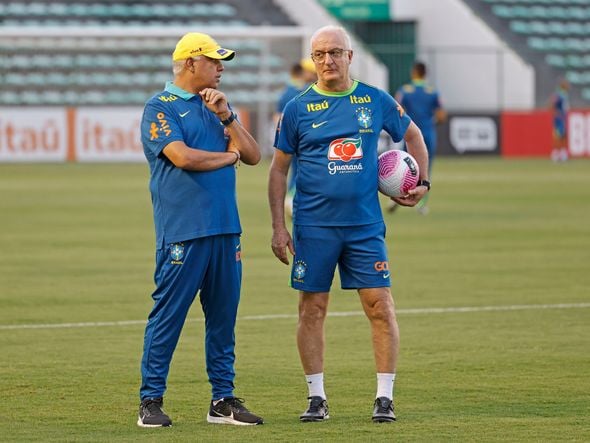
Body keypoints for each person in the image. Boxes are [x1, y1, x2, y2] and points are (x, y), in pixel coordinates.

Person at [268, 25, 430, 423]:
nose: (327, 61)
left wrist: (422, 182)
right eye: (320, 54)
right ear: (313, 59)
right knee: (312, 310)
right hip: (313, 227)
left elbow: (413, 135)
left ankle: (385, 398)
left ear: (350, 56)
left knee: (380, 306)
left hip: (363, 227)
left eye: (335, 53)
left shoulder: (374, 100)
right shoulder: (298, 108)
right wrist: (278, 226)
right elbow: (277, 171)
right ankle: (316, 398)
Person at [138, 32, 263, 427]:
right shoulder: (161, 107)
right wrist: (229, 157)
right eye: (214, 61)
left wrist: (227, 116)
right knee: (168, 317)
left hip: (226, 231)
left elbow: (255, 155)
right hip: (183, 232)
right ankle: (150, 401)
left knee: (223, 320)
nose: (221, 67)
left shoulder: (218, 107)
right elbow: (182, 157)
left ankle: (222, 400)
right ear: (191, 63)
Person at [394, 61, 446, 215]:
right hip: (428, 134)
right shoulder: (433, 91)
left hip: (410, 135)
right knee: (425, 171)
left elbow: (397, 111)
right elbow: (442, 116)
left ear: (413, 72)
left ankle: (396, 197)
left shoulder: (405, 90)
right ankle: (422, 204)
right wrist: (430, 122)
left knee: (403, 168)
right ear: (425, 73)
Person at [274, 59, 318, 217]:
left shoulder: (288, 90)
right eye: (312, 72)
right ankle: (293, 200)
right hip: (305, 138)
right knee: (304, 170)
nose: (314, 75)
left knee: (294, 170)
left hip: (290, 138)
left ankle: (292, 199)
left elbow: (277, 117)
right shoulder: (307, 90)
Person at [549, 78, 570, 162]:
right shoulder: (559, 95)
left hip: (563, 118)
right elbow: (552, 104)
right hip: (559, 118)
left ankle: (562, 153)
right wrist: (556, 113)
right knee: (558, 136)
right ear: (563, 86)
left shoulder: (564, 94)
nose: (568, 86)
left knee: (563, 135)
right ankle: (556, 154)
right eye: (566, 84)